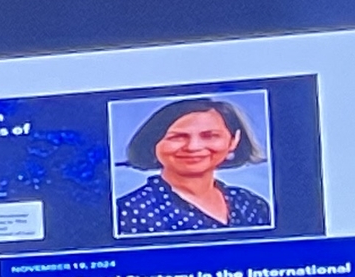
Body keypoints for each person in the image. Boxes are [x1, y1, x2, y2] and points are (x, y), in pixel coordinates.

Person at [112, 96, 272, 236]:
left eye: (210, 136)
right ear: (153, 143)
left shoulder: (251, 204)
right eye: (177, 137)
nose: (193, 147)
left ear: (234, 141)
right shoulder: (129, 211)